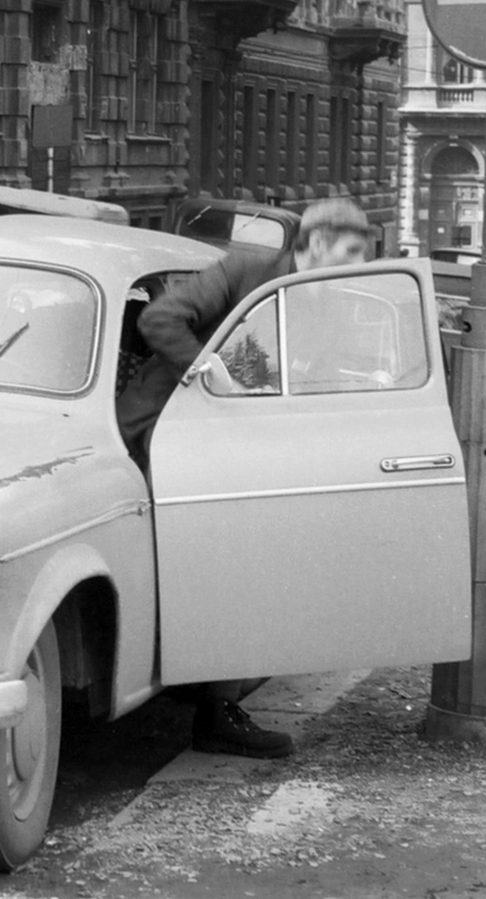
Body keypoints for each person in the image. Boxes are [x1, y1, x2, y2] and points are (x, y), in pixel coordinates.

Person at [116, 197, 371, 759]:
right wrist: (210, 369)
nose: (355, 264)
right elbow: (159, 318)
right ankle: (213, 710)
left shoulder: (325, 303)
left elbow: (294, 375)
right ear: (320, 241)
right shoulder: (244, 271)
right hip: (166, 434)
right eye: (351, 251)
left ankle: (208, 690)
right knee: (224, 558)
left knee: (253, 555)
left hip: (235, 445)